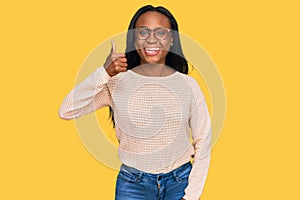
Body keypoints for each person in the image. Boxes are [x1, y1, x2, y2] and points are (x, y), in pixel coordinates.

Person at [59, 5, 211, 200]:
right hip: (133, 186)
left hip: (179, 182)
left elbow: (203, 143)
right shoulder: (116, 82)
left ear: (172, 39)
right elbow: (66, 110)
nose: (151, 39)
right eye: (143, 32)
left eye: (161, 32)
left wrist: (191, 197)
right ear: (133, 38)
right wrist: (104, 73)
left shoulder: (188, 85)